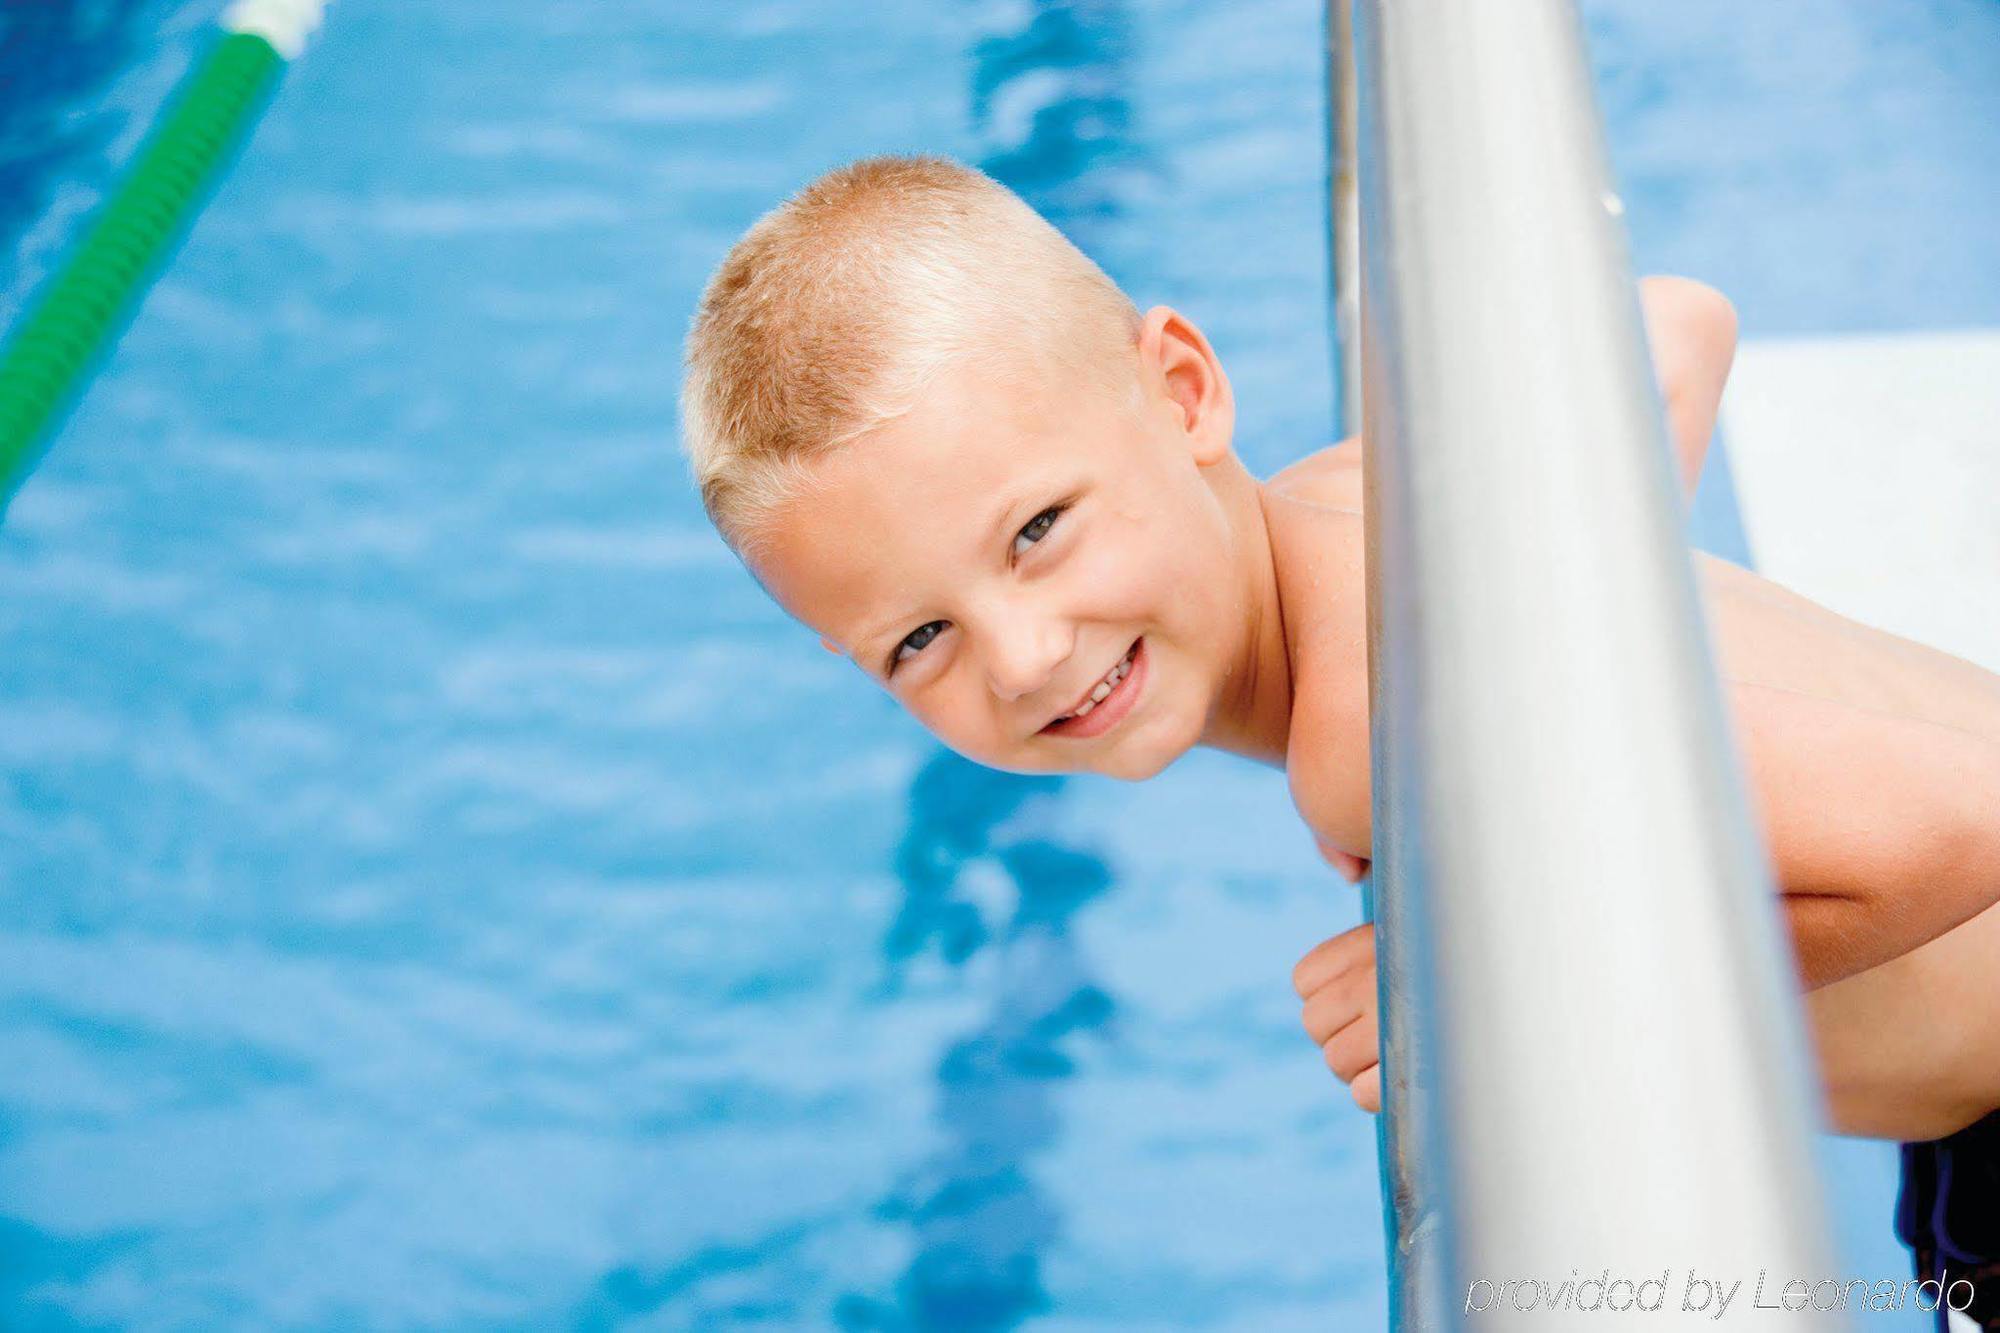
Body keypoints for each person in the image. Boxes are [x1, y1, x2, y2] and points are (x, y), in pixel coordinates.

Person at [678, 153, 2000, 1267]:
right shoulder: (1385, 491)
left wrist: (1508, 997)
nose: (1020, 656)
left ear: (1185, 391)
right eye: (918, 638)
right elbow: (1677, 322)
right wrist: (1574, 615)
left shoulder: (1382, 733)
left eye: (1037, 528)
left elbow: (1965, 818)